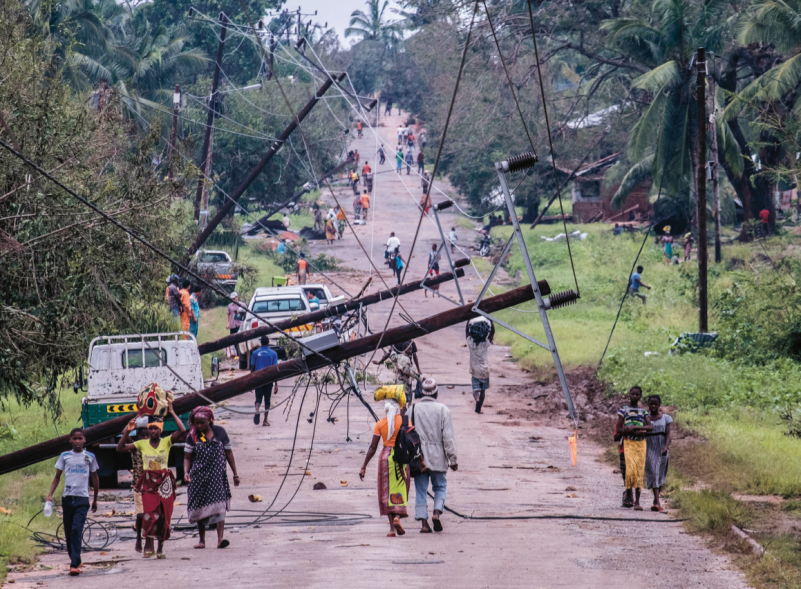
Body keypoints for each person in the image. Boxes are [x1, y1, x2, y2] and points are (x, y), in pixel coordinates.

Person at [116, 403, 186, 558]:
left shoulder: (166, 441)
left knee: (163, 515)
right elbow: (119, 449)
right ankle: (149, 545)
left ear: (161, 429)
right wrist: (128, 429)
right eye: (151, 428)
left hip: (164, 483)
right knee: (148, 514)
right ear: (148, 429)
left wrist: (173, 412)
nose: (153, 431)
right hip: (148, 482)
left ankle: (160, 547)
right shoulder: (141, 444)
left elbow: (182, 430)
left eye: (156, 428)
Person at [184, 407, 239, 549]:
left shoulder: (220, 432)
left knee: (220, 506)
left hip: (217, 477)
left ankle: (220, 538)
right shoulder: (193, 436)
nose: (199, 426)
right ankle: (201, 540)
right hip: (199, 477)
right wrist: (186, 472)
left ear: (210, 420)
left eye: (202, 422)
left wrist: (235, 473)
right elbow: (187, 458)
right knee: (200, 507)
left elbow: (229, 453)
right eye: (197, 423)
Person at [47, 428, 99, 575]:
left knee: (77, 530)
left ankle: (74, 564)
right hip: (68, 499)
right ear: (70, 440)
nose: (77, 441)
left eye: (80, 438)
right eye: (74, 439)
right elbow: (57, 477)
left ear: (85, 440)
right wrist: (50, 494)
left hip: (82, 499)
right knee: (69, 532)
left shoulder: (89, 457)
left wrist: (95, 499)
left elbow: (95, 478)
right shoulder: (64, 456)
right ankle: (76, 558)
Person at [359, 391, 410, 537]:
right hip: (401, 458)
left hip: (386, 458)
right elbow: (411, 438)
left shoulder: (380, 424)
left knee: (386, 492)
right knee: (400, 488)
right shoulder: (404, 421)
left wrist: (364, 466)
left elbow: (373, 447)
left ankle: (392, 529)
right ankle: (397, 518)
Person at [410, 378, 457, 533]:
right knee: (440, 487)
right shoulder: (443, 410)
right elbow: (448, 438)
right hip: (438, 457)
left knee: (421, 490)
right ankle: (436, 513)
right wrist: (453, 459)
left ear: (421, 392)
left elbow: (407, 435)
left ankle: (424, 524)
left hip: (419, 459)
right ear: (436, 392)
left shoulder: (413, 409)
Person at [615, 386, 652, 510]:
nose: (635, 396)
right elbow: (619, 428)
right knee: (629, 471)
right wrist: (627, 431)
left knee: (639, 471)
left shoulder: (643, 411)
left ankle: (637, 502)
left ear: (640, 396)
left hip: (640, 444)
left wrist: (635, 429)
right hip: (629, 443)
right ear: (629, 395)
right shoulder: (624, 410)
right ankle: (628, 494)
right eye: (633, 394)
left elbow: (650, 426)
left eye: (637, 395)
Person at [645, 395, 672, 512]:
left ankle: (656, 498)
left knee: (660, 473)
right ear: (648, 404)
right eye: (651, 404)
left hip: (662, 447)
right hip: (649, 447)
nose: (653, 406)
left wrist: (666, 446)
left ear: (659, 404)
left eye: (656, 404)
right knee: (653, 471)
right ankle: (657, 501)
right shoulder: (645, 418)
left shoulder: (666, 418)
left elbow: (668, 434)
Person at [466, 316, 495, 414]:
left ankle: (477, 400)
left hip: (475, 371)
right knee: (483, 391)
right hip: (485, 371)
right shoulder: (485, 344)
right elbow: (492, 333)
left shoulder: (471, 344)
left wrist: (468, 320)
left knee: (475, 389)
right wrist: (490, 320)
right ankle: (479, 407)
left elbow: (466, 332)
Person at [251, 336, 278, 426]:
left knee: (258, 398)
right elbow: (275, 370)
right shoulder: (273, 354)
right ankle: (265, 420)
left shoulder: (255, 353)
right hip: (268, 379)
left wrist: (250, 381)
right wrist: (276, 384)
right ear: (268, 342)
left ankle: (257, 410)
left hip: (258, 379)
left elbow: (253, 368)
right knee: (267, 400)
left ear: (261, 343)